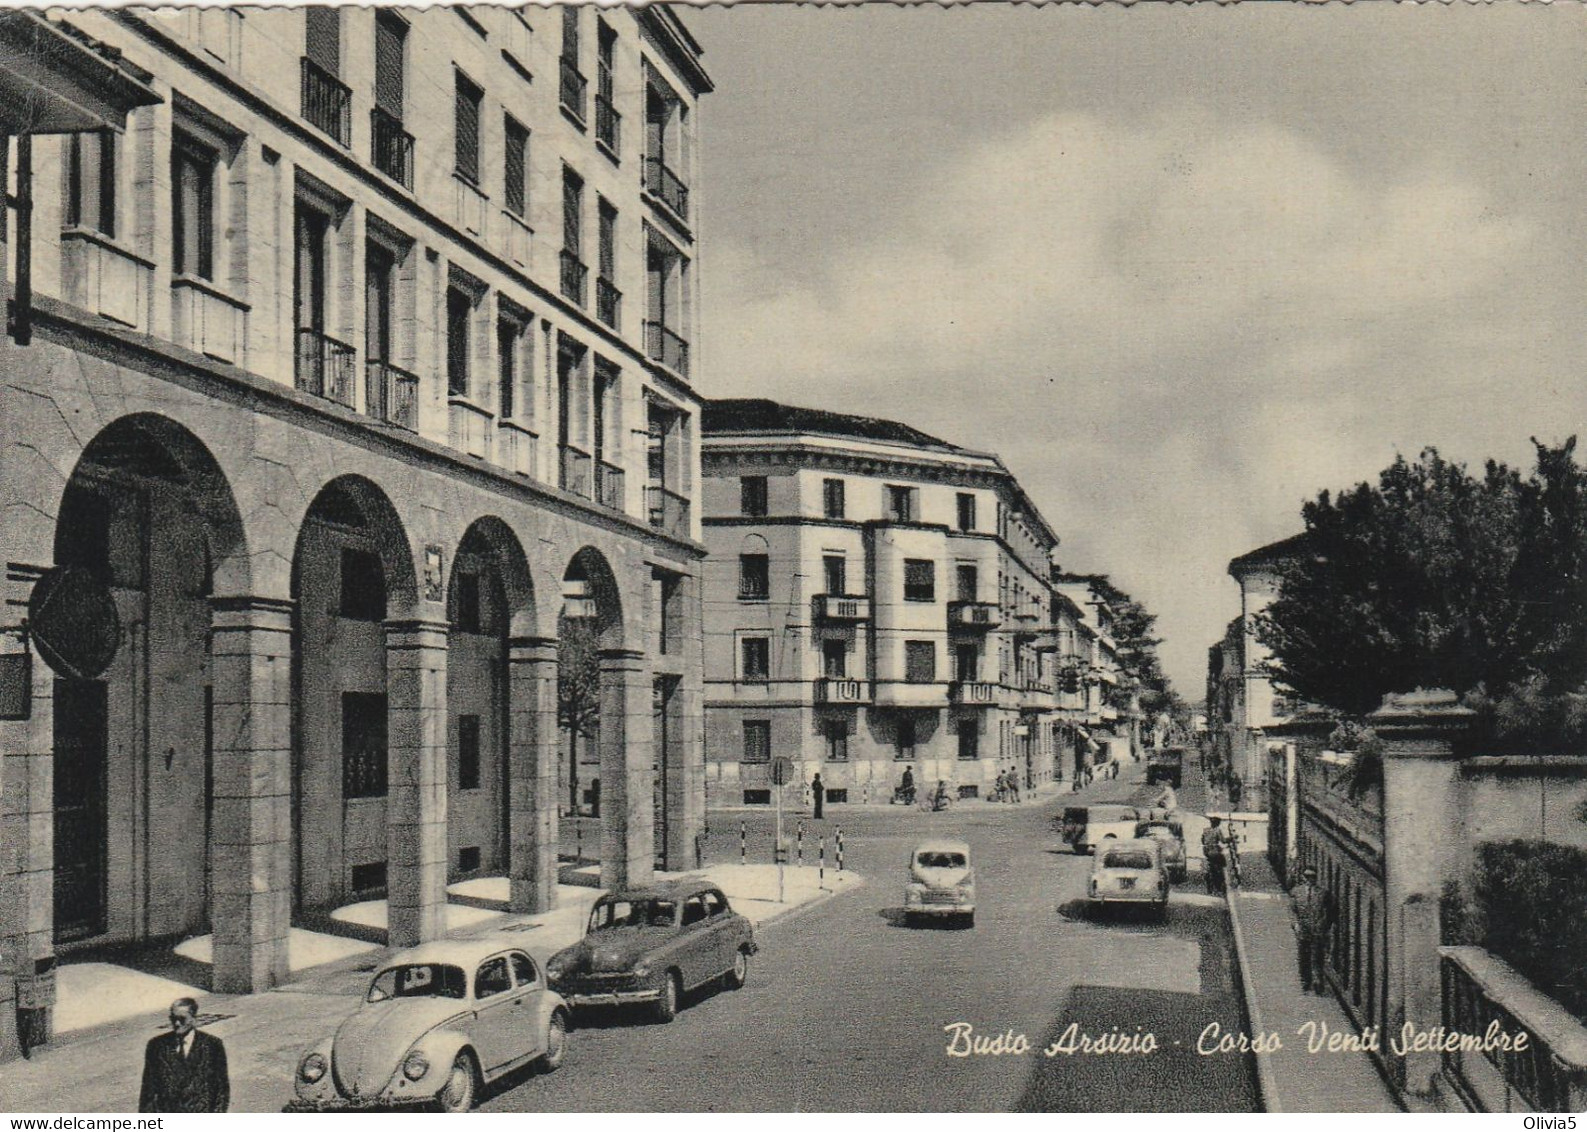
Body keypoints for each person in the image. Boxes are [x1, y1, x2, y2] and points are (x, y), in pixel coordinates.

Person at [140, 997, 229, 1113]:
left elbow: (222, 1089)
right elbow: (148, 1091)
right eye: (173, 1019)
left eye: (182, 1019)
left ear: (193, 1019)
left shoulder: (212, 1045)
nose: (176, 1023)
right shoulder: (157, 1046)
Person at [1290, 865, 1333, 994]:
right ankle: (1305, 982)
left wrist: (1324, 925)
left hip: (1317, 931)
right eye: (1307, 876)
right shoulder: (1296, 892)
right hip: (1303, 930)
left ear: (1316, 878)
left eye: (1312, 877)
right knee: (1304, 957)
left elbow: (1330, 911)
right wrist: (1295, 924)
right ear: (1303, 877)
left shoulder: (1323, 893)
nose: (1310, 879)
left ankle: (1318, 983)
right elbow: (1292, 910)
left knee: (1318, 957)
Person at [1201, 817, 1228, 896]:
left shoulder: (1205, 830)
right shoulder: (1217, 830)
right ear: (1217, 823)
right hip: (1215, 852)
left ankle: (1210, 886)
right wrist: (1231, 838)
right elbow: (1223, 840)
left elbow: (1202, 840)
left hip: (1206, 851)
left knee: (1210, 867)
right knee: (1222, 864)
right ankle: (1220, 884)